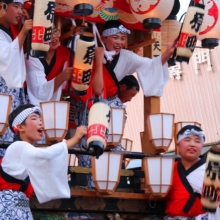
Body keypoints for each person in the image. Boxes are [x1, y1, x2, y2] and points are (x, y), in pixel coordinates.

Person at [0, 103, 87, 219]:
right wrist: (75, 138)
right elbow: (47, 154)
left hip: (19, 208)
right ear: (20, 127)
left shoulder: (27, 151)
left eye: (40, 119)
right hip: (8, 208)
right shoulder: (17, 147)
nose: (41, 122)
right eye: (34, 118)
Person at [77, 75, 140, 187]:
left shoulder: (91, 103)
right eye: (131, 94)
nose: (130, 99)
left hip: (94, 148)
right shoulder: (113, 105)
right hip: (103, 150)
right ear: (123, 87)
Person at [165, 125, 220, 220]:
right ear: (178, 145)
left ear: (202, 146)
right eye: (187, 140)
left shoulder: (213, 169)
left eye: (197, 141)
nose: (192, 144)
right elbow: (160, 194)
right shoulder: (169, 169)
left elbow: (213, 205)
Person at [0, 0, 32, 144]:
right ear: (3, 6)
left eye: (22, 8)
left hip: (12, 95)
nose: (20, 11)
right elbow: (6, 57)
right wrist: (24, 31)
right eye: (16, 6)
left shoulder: (9, 31)